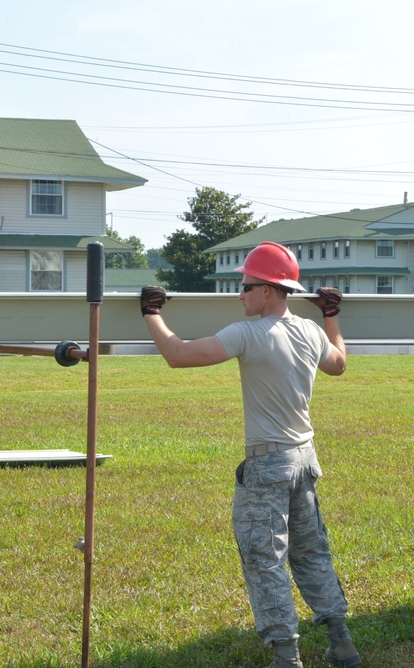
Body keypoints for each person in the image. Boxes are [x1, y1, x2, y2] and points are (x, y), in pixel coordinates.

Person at [140, 241, 361, 668]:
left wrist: (152, 313)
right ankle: (341, 641)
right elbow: (338, 365)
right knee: (312, 550)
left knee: (265, 558)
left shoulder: (250, 334)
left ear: (268, 290)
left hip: (267, 465)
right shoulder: (311, 331)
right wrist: (331, 316)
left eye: (245, 287)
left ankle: (285, 655)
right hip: (304, 459)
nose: (239, 295)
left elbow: (178, 355)